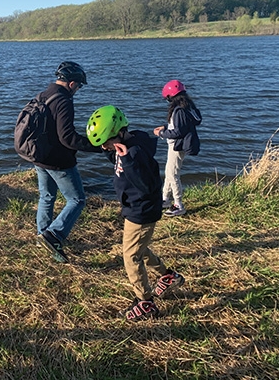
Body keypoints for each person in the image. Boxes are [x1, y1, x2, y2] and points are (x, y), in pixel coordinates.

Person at [86, 105, 185, 321]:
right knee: (139, 249)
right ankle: (169, 276)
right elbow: (117, 162)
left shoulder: (135, 153)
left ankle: (145, 302)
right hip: (134, 209)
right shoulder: (124, 147)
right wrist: (113, 153)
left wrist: (129, 162)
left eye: (106, 142)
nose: (104, 147)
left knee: (131, 256)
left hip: (142, 211)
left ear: (119, 132)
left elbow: (147, 185)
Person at [32, 61, 101, 264]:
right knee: (77, 200)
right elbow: (68, 138)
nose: (78, 90)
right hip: (57, 160)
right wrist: (99, 146)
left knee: (46, 196)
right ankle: (53, 236)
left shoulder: (44, 95)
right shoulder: (63, 100)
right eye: (79, 86)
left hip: (39, 156)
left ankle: (43, 238)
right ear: (71, 83)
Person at [153, 80, 202, 217]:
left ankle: (178, 205)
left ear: (170, 96)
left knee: (172, 174)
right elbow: (181, 125)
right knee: (169, 172)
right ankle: (165, 199)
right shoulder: (187, 106)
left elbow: (178, 132)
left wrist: (161, 133)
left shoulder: (178, 110)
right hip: (179, 144)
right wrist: (165, 126)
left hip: (177, 146)